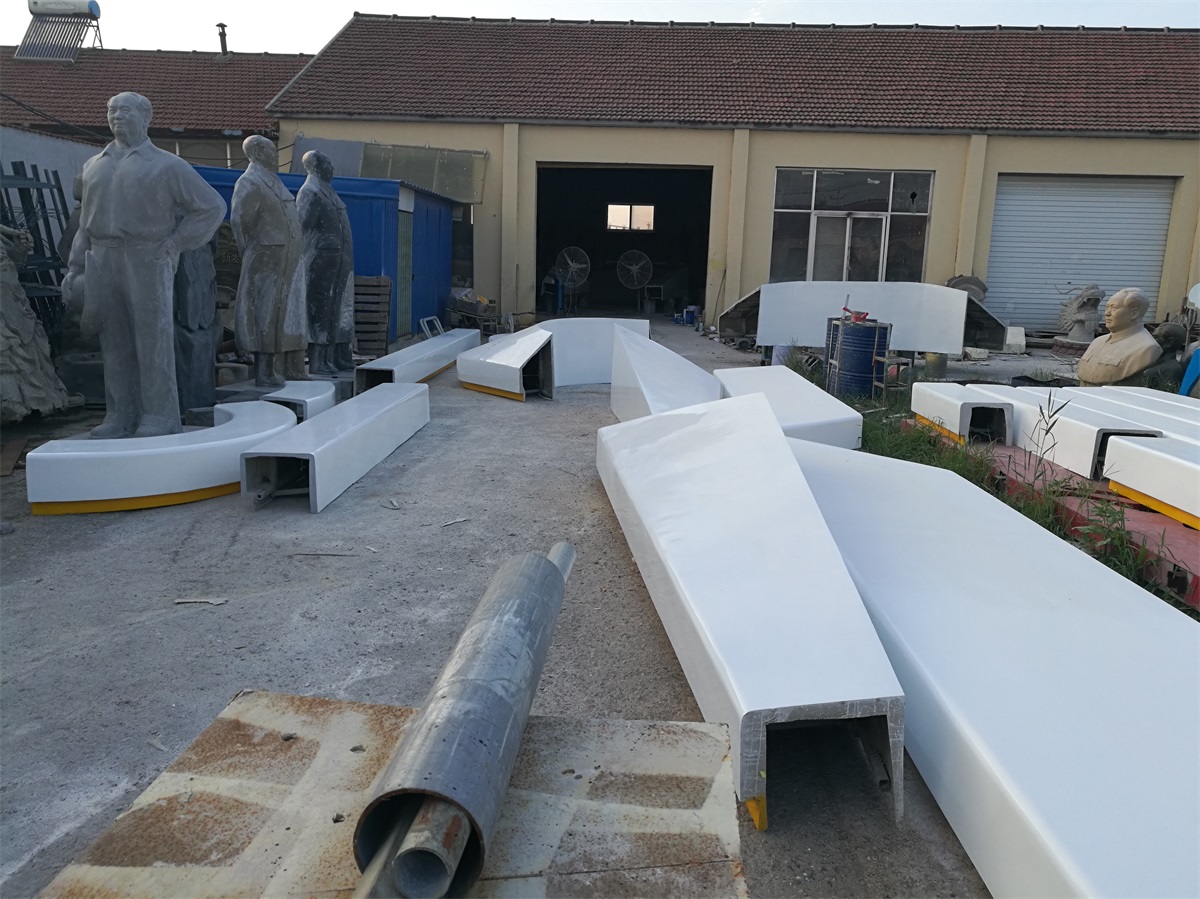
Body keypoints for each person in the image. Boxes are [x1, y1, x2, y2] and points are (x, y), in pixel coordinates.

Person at [62, 92, 225, 438]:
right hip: (102, 256)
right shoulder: (94, 166)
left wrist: (176, 243)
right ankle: (120, 414)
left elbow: (212, 207)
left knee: (153, 337)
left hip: (147, 256)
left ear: (146, 118)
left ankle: (159, 416)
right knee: (113, 338)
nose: (117, 116)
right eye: (112, 110)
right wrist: (75, 268)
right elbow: (85, 226)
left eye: (126, 110)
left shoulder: (168, 166)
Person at [231, 135, 307, 388]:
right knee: (263, 313)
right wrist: (252, 252)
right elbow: (240, 222)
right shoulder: (249, 181)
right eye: (271, 150)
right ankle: (263, 371)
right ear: (256, 151)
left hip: (285, 259)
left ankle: (280, 368)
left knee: (282, 313)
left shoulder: (273, 180)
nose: (275, 155)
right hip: (265, 258)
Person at [296, 150, 355, 375]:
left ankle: (334, 356)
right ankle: (317, 360)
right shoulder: (309, 192)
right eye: (328, 164)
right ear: (317, 166)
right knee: (320, 309)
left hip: (339, 263)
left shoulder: (328, 191)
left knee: (337, 309)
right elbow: (301, 229)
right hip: (320, 262)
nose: (332, 168)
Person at [1076, 288, 1162, 387]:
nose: (1107, 313)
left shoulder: (1147, 347)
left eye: (1114, 308)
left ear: (1134, 313)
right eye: (1107, 308)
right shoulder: (1097, 342)